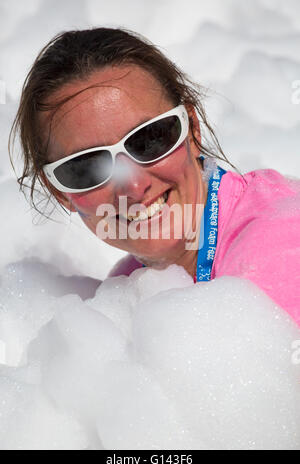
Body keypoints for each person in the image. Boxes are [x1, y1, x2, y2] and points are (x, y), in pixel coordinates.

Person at [9, 27, 300, 326]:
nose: (134, 187)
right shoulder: (129, 286)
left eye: (150, 139)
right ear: (59, 191)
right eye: (87, 166)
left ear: (192, 130)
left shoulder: (280, 245)